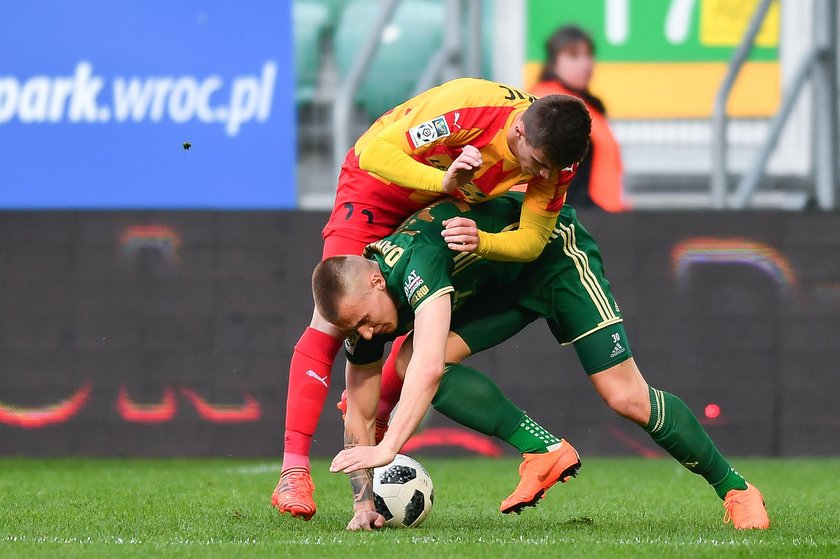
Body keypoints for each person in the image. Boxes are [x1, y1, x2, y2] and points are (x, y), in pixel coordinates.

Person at [320, 193, 770, 531]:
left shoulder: (416, 265)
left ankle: (735, 488)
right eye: (353, 329)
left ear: (377, 281)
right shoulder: (364, 310)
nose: (364, 334)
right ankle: (544, 449)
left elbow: (430, 368)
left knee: (626, 396)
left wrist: (387, 447)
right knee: (407, 362)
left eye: (363, 322)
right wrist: (363, 503)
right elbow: (359, 407)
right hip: (503, 282)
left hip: (553, 259)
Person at [274, 77, 592, 520]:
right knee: (339, 320)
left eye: (549, 170)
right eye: (537, 165)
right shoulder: (470, 110)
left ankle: (373, 444)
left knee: (409, 346)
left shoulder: (553, 156)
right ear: (520, 132)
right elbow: (374, 153)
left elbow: (532, 239)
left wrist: (478, 237)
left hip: (435, 203)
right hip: (377, 190)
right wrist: (441, 180)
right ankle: (294, 469)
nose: (540, 176)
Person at [530, 25, 627, 212]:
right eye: (574, 56)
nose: (585, 63)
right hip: (575, 219)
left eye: (589, 55)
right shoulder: (552, 104)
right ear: (554, 63)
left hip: (597, 217)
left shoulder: (585, 104)